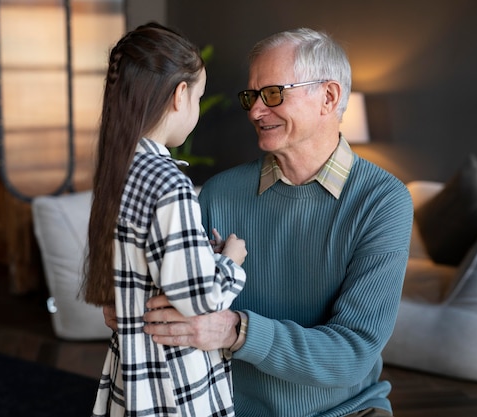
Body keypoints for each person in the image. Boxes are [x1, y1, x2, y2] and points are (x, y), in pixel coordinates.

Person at [137, 28, 414, 417]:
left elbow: (352, 353)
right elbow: (181, 303)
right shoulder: (218, 193)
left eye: (273, 94)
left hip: (346, 411)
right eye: (252, 96)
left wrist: (238, 330)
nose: (254, 111)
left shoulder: (383, 201)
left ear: (329, 97)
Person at [83, 22, 248, 417]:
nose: (196, 110)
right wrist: (230, 260)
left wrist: (195, 253)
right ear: (180, 96)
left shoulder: (119, 170)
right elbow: (200, 301)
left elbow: (144, 267)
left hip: (132, 364)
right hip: (171, 377)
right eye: (199, 97)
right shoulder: (169, 181)